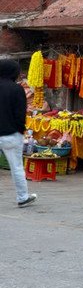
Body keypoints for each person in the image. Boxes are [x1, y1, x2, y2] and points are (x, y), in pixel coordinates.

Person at [0, 59, 35, 207]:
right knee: (16, 167)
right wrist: (21, 131)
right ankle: (22, 197)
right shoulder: (16, 89)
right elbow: (20, 114)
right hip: (11, 134)